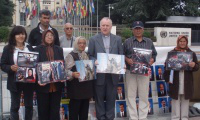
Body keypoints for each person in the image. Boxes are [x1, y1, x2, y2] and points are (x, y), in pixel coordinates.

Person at [88, 17, 123, 120]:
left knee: (111, 98)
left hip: (113, 74)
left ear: (111, 27)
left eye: (107, 25)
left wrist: (122, 63)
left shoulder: (118, 39)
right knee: (99, 98)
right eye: (103, 25)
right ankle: (101, 117)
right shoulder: (93, 39)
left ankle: (110, 117)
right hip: (100, 74)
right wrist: (94, 61)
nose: (105, 27)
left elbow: (121, 54)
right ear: (100, 26)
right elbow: (90, 55)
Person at [123, 21, 157, 120]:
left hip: (144, 72)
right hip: (130, 71)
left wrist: (152, 60)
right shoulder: (127, 42)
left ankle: (142, 117)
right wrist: (126, 59)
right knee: (131, 95)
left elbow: (154, 54)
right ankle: (133, 117)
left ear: (143, 29)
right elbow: (122, 54)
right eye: (135, 28)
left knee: (144, 94)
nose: (138, 30)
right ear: (132, 30)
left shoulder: (149, 41)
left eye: (139, 28)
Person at [1, 26, 34, 120]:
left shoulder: (29, 47)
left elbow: (35, 62)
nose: (21, 36)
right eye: (18, 34)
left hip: (28, 81)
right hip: (14, 82)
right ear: (14, 36)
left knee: (29, 106)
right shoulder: (8, 48)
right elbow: (3, 64)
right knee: (15, 106)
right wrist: (10, 67)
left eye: (23, 34)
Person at [164, 35, 199, 120]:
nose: (182, 43)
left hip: (186, 80)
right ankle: (175, 117)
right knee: (175, 99)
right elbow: (166, 67)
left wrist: (194, 65)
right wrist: (167, 77)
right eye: (181, 41)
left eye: (184, 41)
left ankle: (184, 117)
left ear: (186, 42)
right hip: (175, 79)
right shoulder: (172, 53)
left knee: (185, 99)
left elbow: (197, 67)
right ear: (178, 42)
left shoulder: (191, 53)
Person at [34, 29, 64, 120]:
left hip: (56, 86)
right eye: (47, 36)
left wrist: (62, 74)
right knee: (43, 111)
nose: (50, 37)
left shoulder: (59, 49)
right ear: (43, 37)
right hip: (42, 86)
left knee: (55, 111)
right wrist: (39, 79)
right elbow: (34, 66)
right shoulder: (37, 49)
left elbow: (62, 64)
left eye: (51, 35)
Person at [65, 36, 93, 120]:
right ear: (76, 44)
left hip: (85, 89)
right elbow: (65, 70)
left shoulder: (86, 55)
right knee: (74, 112)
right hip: (75, 89)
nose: (82, 45)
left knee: (84, 113)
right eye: (80, 43)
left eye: (84, 43)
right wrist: (73, 74)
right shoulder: (71, 55)